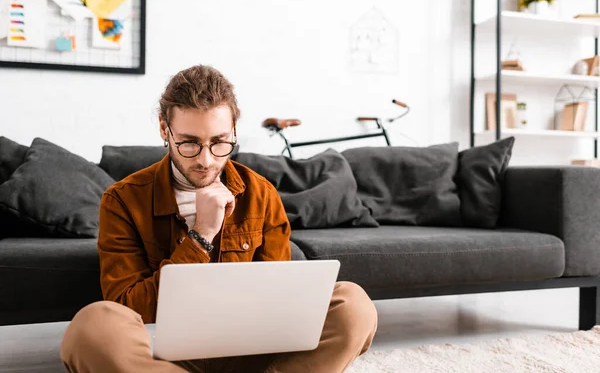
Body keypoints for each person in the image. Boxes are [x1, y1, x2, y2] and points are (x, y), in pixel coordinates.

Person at [60, 65, 378, 373]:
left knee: (354, 304)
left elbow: (280, 305)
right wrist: (201, 236)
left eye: (219, 142)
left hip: (251, 354)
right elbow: (128, 308)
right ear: (164, 129)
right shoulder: (122, 200)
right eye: (189, 143)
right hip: (163, 358)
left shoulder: (261, 194)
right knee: (93, 326)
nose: (206, 159)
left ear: (235, 131)